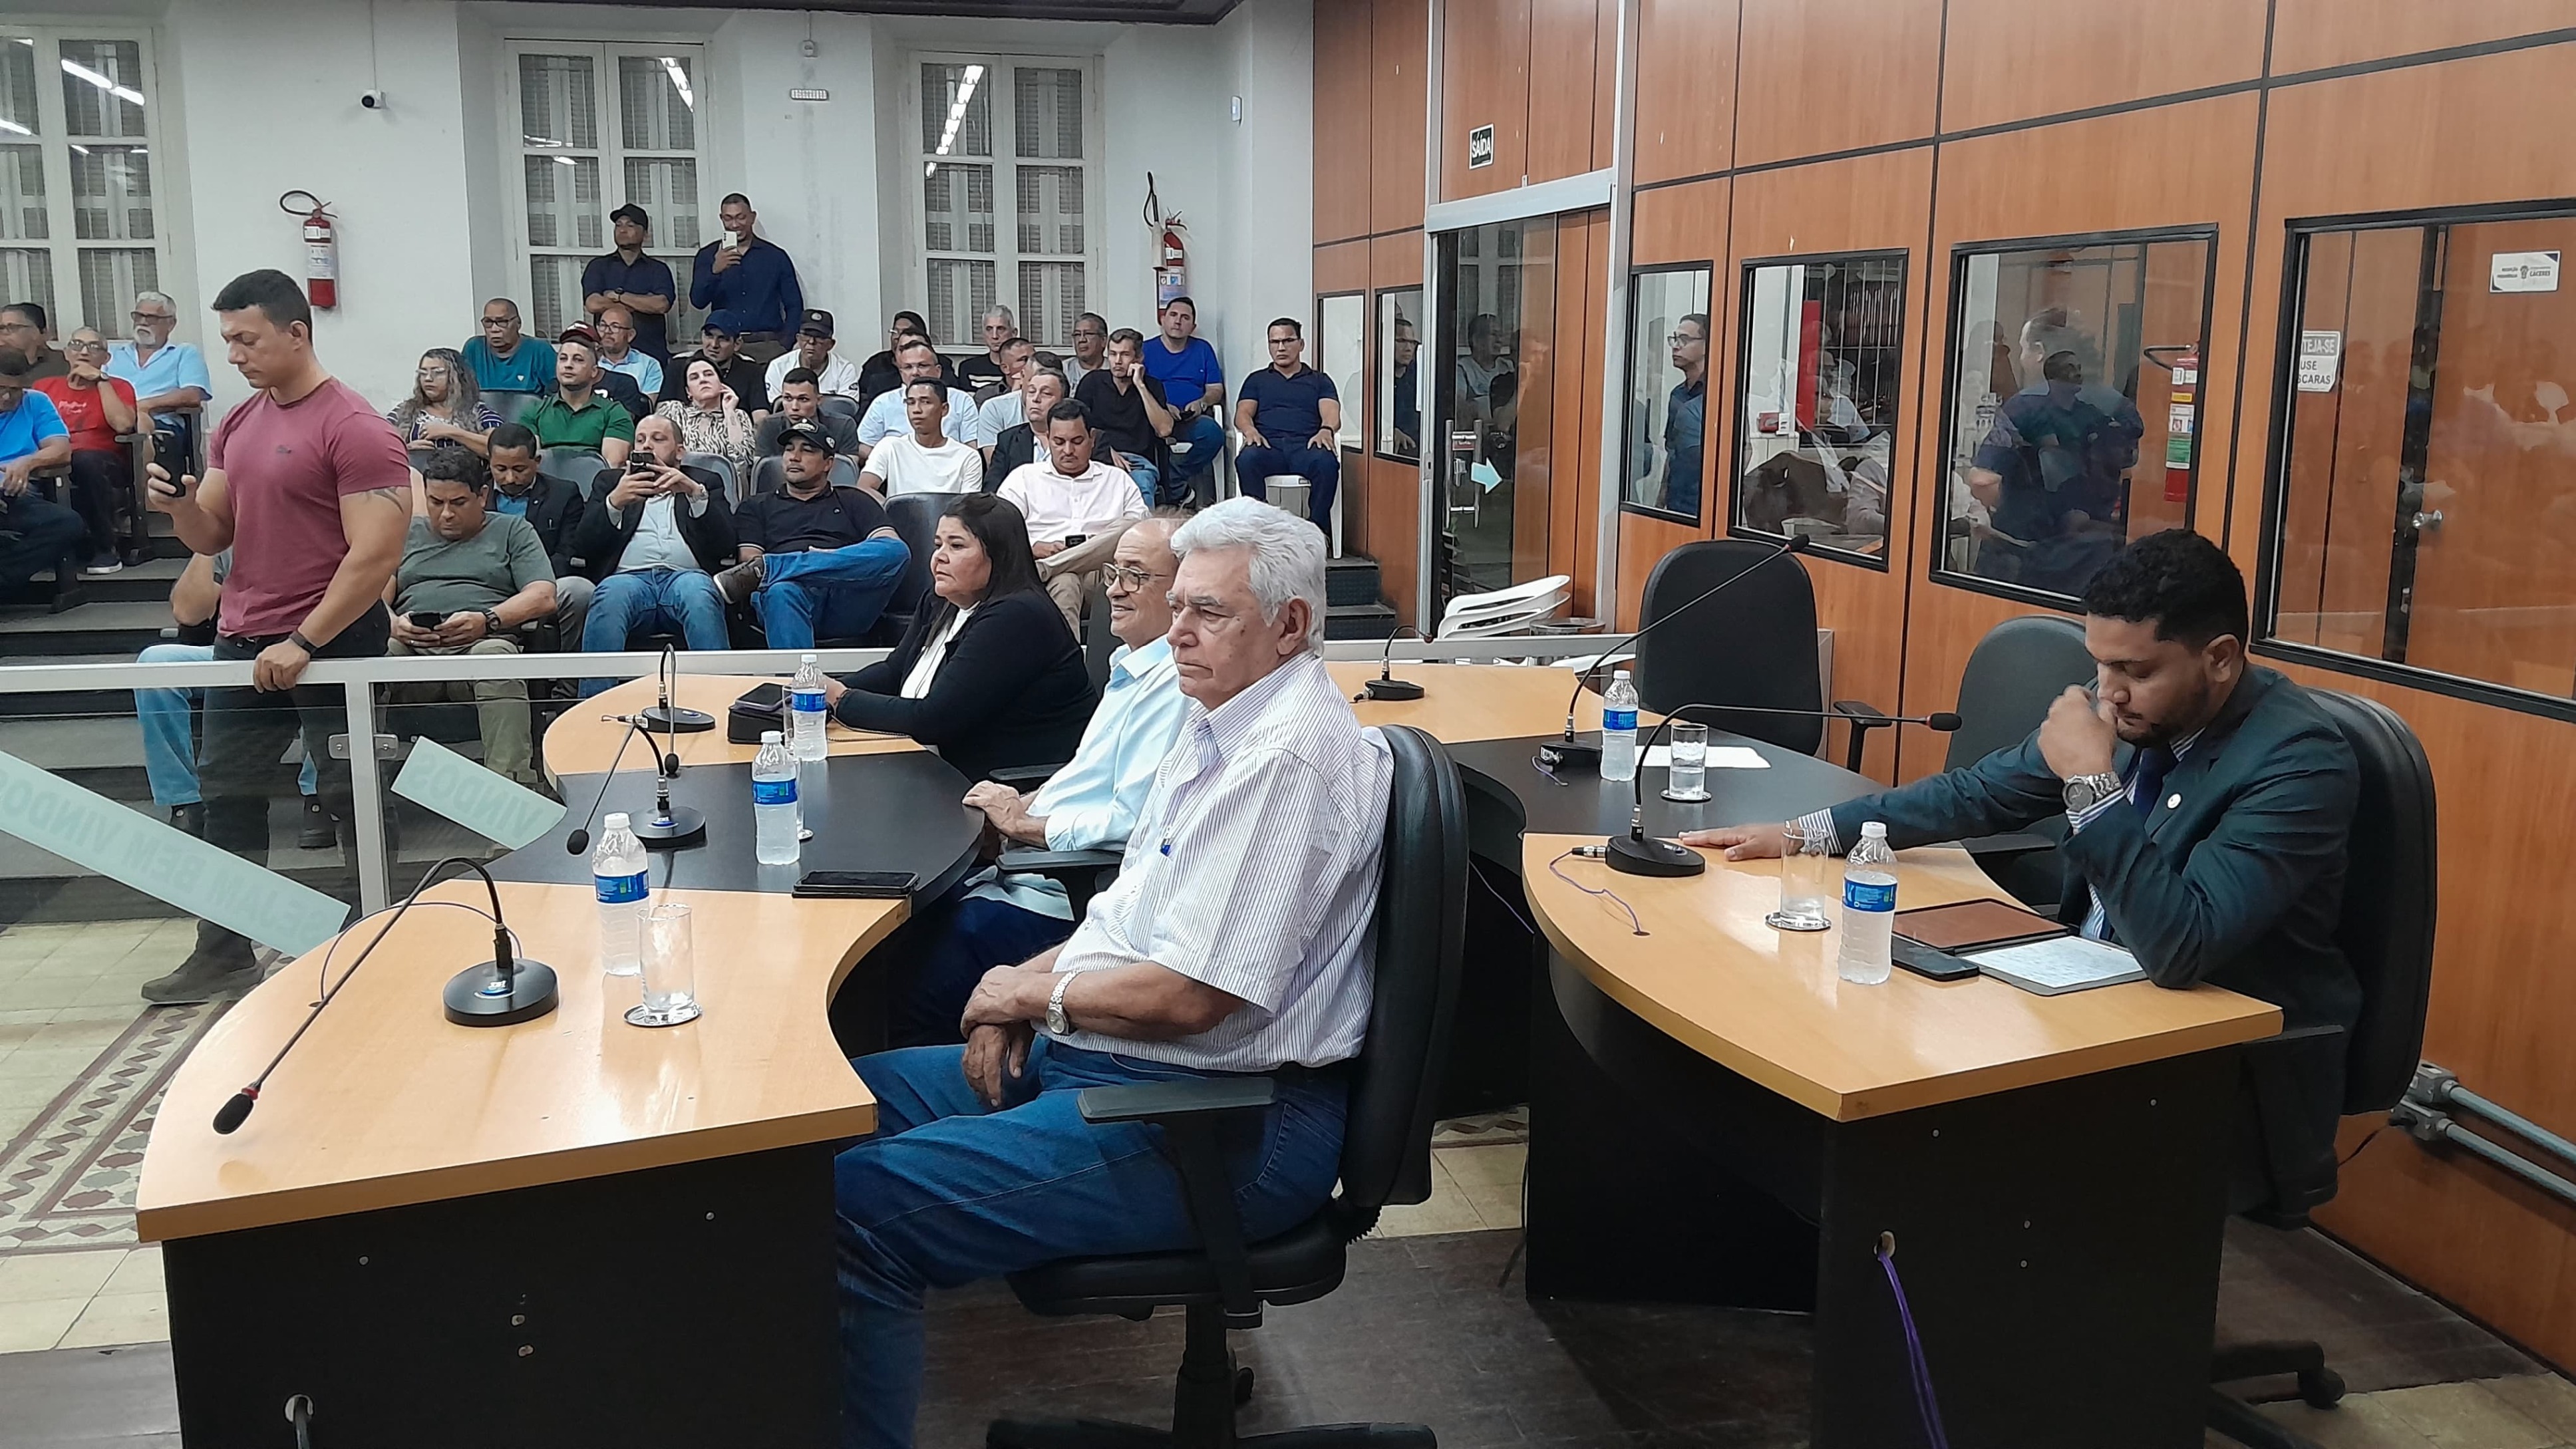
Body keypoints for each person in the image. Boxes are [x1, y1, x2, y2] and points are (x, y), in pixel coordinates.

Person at [831, 497, 1388, 1448]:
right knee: (824, 1110)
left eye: (1208, 611)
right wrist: (1024, 991)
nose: (1175, 629)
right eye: (1179, 604)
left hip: (1223, 1121)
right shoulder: (1215, 726)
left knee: (858, 1212)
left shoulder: (1286, 760)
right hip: (1127, 1066)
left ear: (1291, 623)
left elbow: (1190, 994)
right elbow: (1128, 914)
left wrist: (1029, 993)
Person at [1683, 530, 2360, 1200]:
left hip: (2204, 1065)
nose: (2108, 694)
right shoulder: (2132, 711)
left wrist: (2091, 784)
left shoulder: (2298, 762)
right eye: (2100, 666)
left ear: (2219, 659)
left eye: (2135, 672)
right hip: (2088, 1003)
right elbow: (1977, 794)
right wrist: (1806, 832)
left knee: (1918, 1142)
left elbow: (2181, 946)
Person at [139, 269, 410, 1004]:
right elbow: (214, 533)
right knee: (225, 794)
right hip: (244, 634)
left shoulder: (356, 427)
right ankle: (225, 949)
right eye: (228, 340)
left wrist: (305, 643)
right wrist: (180, 508)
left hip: (333, 638)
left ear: (296, 333)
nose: (234, 355)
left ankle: (379, 940)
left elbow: (376, 555)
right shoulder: (238, 423)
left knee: (352, 791)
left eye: (247, 340)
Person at [876, 511, 1191, 1046]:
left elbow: (1131, 822)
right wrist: (1020, 804)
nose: (1114, 589)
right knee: (899, 921)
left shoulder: (1175, 686)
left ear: (1187, 593)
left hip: (1062, 893)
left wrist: (1024, 827)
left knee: (908, 968)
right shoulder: (1132, 667)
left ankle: (934, 1083)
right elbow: (1085, 777)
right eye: (1113, 572)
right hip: (1027, 868)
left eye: (1136, 576)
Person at [819, 493, 1095, 782]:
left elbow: (933, 720)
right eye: (938, 544)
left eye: (957, 546)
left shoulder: (1018, 616)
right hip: (933, 764)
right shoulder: (941, 600)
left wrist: (841, 699)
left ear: (998, 555)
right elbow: (894, 671)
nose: (940, 556)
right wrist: (819, 692)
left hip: (1006, 783)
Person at [384, 448, 556, 788]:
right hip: (412, 651)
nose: (446, 514)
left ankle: (509, 790)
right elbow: (373, 597)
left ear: (482, 495)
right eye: (436, 502)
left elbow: (543, 595)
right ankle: (359, 791)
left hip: (482, 643)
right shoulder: (405, 533)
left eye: (459, 503)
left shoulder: (512, 530)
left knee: (496, 659)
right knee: (373, 657)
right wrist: (394, 624)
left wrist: (487, 620)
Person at [134, 552, 322, 840]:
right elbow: (188, 613)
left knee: (325, 670)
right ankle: (184, 800)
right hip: (235, 650)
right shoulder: (234, 537)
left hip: (310, 647)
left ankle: (318, 798)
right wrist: (208, 545)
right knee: (156, 663)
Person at [1964, 307, 2145, 595]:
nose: (2019, 357)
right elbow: (2131, 471)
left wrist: (2009, 510)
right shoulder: (2118, 405)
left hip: (2028, 557)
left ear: (2039, 351)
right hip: (2094, 556)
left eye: (2022, 348)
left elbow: (1983, 480)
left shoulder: (2026, 406)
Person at [719, 422, 910, 648]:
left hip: (847, 596)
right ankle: (798, 674)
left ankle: (777, 566)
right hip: (787, 594)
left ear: (828, 463)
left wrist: (829, 561)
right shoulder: (757, 506)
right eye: (789, 449)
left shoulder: (854, 499)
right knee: (780, 591)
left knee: (898, 551)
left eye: (807, 450)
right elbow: (750, 565)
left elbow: (889, 544)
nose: (794, 457)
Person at [574, 412, 734, 677]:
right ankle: (595, 699)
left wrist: (695, 495)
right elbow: (583, 546)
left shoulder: (703, 482)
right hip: (627, 579)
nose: (647, 445)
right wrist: (614, 503)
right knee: (609, 597)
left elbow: (725, 546)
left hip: (685, 578)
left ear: (680, 451)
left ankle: (719, 693)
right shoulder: (610, 482)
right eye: (640, 440)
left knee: (699, 593)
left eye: (658, 439)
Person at [999, 400, 1147, 630]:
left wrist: (1096, 547)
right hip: (1047, 573)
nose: (1068, 451)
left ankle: (1052, 566)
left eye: (1077, 442)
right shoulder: (1024, 478)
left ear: (1092, 438)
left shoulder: (1116, 479)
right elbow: (999, 533)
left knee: (1132, 526)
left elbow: (1142, 532)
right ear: (1047, 438)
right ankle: (1068, 655)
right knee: (1065, 583)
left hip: (1103, 571)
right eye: (1059, 442)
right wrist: (1033, 548)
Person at [35, 327, 140, 575]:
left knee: (85, 462)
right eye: (77, 345)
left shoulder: (119, 386)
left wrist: (101, 381)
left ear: (106, 358)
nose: (84, 352)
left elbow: (123, 425)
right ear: (66, 353)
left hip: (103, 460)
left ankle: (105, 547)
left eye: (94, 347)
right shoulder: (44, 387)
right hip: (52, 457)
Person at [484, 422, 593, 646]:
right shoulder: (473, 493)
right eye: (501, 469)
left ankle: (566, 665)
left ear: (537, 462)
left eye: (519, 469)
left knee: (579, 590)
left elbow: (566, 553)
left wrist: (533, 587)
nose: (510, 478)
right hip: (485, 583)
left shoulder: (564, 494)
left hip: (543, 582)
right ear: (489, 462)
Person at [1234, 317, 1345, 528]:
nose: (1281, 348)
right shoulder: (1256, 380)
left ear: (1301, 344)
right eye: (1275, 342)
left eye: (1288, 341)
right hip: (1268, 446)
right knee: (1247, 460)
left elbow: (1332, 413)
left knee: (1327, 463)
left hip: (1306, 445)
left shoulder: (1320, 380)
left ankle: (1317, 530)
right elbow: (1243, 413)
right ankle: (1260, 527)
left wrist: (1326, 429)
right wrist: (1249, 430)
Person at [106, 290, 216, 475]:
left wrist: (144, 406)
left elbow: (193, 394)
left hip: (160, 424)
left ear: (171, 324)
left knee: (138, 424)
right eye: (138, 316)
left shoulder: (183, 353)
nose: (143, 322)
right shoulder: (113, 354)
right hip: (111, 421)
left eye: (152, 318)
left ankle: (143, 487)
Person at [0, 350, 82, 591]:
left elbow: (61, 449)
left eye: (16, 390)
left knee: (68, 523)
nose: (7, 397)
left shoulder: (36, 401)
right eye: (1, 388)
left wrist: (27, 463)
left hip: (15, 494)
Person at [690, 192, 804, 364]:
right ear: (721, 219)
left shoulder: (775, 256)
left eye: (741, 217)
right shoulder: (708, 255)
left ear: (752, 217)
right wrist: (715, 271)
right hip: (724, 345)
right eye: (728, 218)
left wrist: (786, 343)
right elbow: (698, 302)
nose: (735, 224)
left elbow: (794, 305)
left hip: (768, 346)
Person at [1074, 328, 1176, 503]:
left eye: (1125, 355)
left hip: (1138, 463)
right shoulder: (1092, 382)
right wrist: (1105, 449)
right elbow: (1077, 425)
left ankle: (1143, 523)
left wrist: (1140, 386)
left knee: (1140, 487)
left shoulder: (1152, 386)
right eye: (1113, 354)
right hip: (1098, 458)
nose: (1118, 361)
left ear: (1139, 358)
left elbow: (1165, 429)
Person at [1140, 296, 1227, 501]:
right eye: (1173, 315)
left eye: (1185, 318)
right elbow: (1137, 388)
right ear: (1162, 320)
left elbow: (1216, 389)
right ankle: (1172, 489)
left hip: (1190, 419)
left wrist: (1202, 403)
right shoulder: (1145, 350)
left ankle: (1173, 479)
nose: (1178, 321)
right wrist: (1162, 406)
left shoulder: (1203, 349)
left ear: (1193, 327)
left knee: (1213, 434)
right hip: (1155, 420)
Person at [855, 339, 977, 462]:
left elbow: (972, 447)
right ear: (901, 373)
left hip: (949, 467)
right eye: (908, 367)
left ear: (938, 371)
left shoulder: (961, 400)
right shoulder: (883, 403)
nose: (915, 373)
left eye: (922, 366)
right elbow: (865, 447)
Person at [530, 327, 637, 468]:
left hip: (596, 482)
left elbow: (612, 467)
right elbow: (530, 463)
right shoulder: (534, 411)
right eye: (563, 359)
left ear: (594, 372)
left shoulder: (614, 413)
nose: (568, 365)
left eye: (578, 360)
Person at [859, 379, 985, 498]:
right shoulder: (890, 446)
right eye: (911, 403)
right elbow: (864, 488)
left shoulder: (968, 457)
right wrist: (889, 508)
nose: (916, 410)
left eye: (925, 402)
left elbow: (968, 506)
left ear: (944, 409)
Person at [583, 203, 678, 361]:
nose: (622, 230)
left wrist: (618, 297)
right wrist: (641, 303)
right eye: (618, 225)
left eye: (630, 225)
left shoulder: (658, 269)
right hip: (608, 357)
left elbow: (661, 305)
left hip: (651, 355)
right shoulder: (598, 266)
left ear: (645, 234)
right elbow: (593, 304)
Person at [654, 356, 759, 479]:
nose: (703, 380)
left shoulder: (739, 416)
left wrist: (730, 412)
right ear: (688, 392)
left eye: (708, 374)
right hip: (674, 481)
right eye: (694, 377)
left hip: (721, 486)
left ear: (721, 385)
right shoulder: (674, 411)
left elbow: (743, 460)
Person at [387, 348, 502, 457]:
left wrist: (451, 432)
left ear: (457, 376)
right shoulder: (404, 412)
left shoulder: (478, 412)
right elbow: (381, 446)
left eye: (437, 372)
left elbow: (500, 450)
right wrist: (405, 449)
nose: (428, 378)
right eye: (423, 373)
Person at [658, 319, 770, 418]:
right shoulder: (678, 366)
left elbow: (761, 418)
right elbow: (661, 413)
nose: (714, 345)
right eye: (709, 336)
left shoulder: (751, 370)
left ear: (737, 344)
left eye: (723, 339)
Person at [981, 367, 1066, 490]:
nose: (1036, 399)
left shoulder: (1076, 440)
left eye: (1046, 393)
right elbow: (991, 490)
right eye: (1031, 392)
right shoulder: (1008, 440)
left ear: (1063, 401)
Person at [1659, 312, 1709, 518]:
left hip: (1705, 504)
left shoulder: (1719, 396)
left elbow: (1744, 449)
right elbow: (1672, 451)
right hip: (1677, 503)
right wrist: (1661, 500)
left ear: (1707, 345)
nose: (1676, 346)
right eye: (1674, 339)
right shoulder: (1677, 395)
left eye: (1684, 339)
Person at [461, 298, 558, 397]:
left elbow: (557, 395)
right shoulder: (474, 349)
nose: (494, 329)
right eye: (488, 322)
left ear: (518, 323)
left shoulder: (540, 350)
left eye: (502, 322)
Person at [758, 370, 863, 458]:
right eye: (788, 398)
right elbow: (763, 470)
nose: (794, 407)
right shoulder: (768, 425)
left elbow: (847, 469)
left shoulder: (843, 426)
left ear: (819, 400)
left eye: (803, 399)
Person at [766, 309, 861, 400]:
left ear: (831, 344)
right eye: (806, 336)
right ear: (798, 339)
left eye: (819, 337)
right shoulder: (778, 366)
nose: (812, 342)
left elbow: (847, 406)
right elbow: (776, 405)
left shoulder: (844, 369)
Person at [857, 310, 933, 406]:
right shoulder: (875, 364)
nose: (897, 337)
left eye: (922, 366)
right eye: (895, 332)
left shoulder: (942, 365)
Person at [969, 338, 1037, 443]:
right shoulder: (987, 396)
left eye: (1034, 359)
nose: (1033, 364)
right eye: (1024, 360)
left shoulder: (1047, 393)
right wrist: (1015, 395)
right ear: (1005, 368)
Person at [593, 303, 665, 398]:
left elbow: (648, 404)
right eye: (603, 325)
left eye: (615, 327)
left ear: (630, 335)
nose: (607, 331)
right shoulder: (589, 362)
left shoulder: (649, 365)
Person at [0, 301, 66, 381]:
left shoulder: (64, 366)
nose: (2, 335)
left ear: (42, 333)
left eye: (12, 327)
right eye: (1, 329)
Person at [956, 305, 1017, 390]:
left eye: (1000, 329)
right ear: (983, 334)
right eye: (989, 329)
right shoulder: (969, 368)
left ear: (1014, 333)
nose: (995, 336)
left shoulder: (1023, 367)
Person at [1388, 310, 1421, 458]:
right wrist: (1389, 431)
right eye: (1401, 341)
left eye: (1412, 343)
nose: (1409, 348)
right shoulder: (1370, 380)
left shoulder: (1422, 377)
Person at [1061, 311, 1109, 390]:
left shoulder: (1114, 370)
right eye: (1077, 334)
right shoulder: (1064, 370)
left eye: (1088, 334)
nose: (1082, 340)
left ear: (1103, 340)